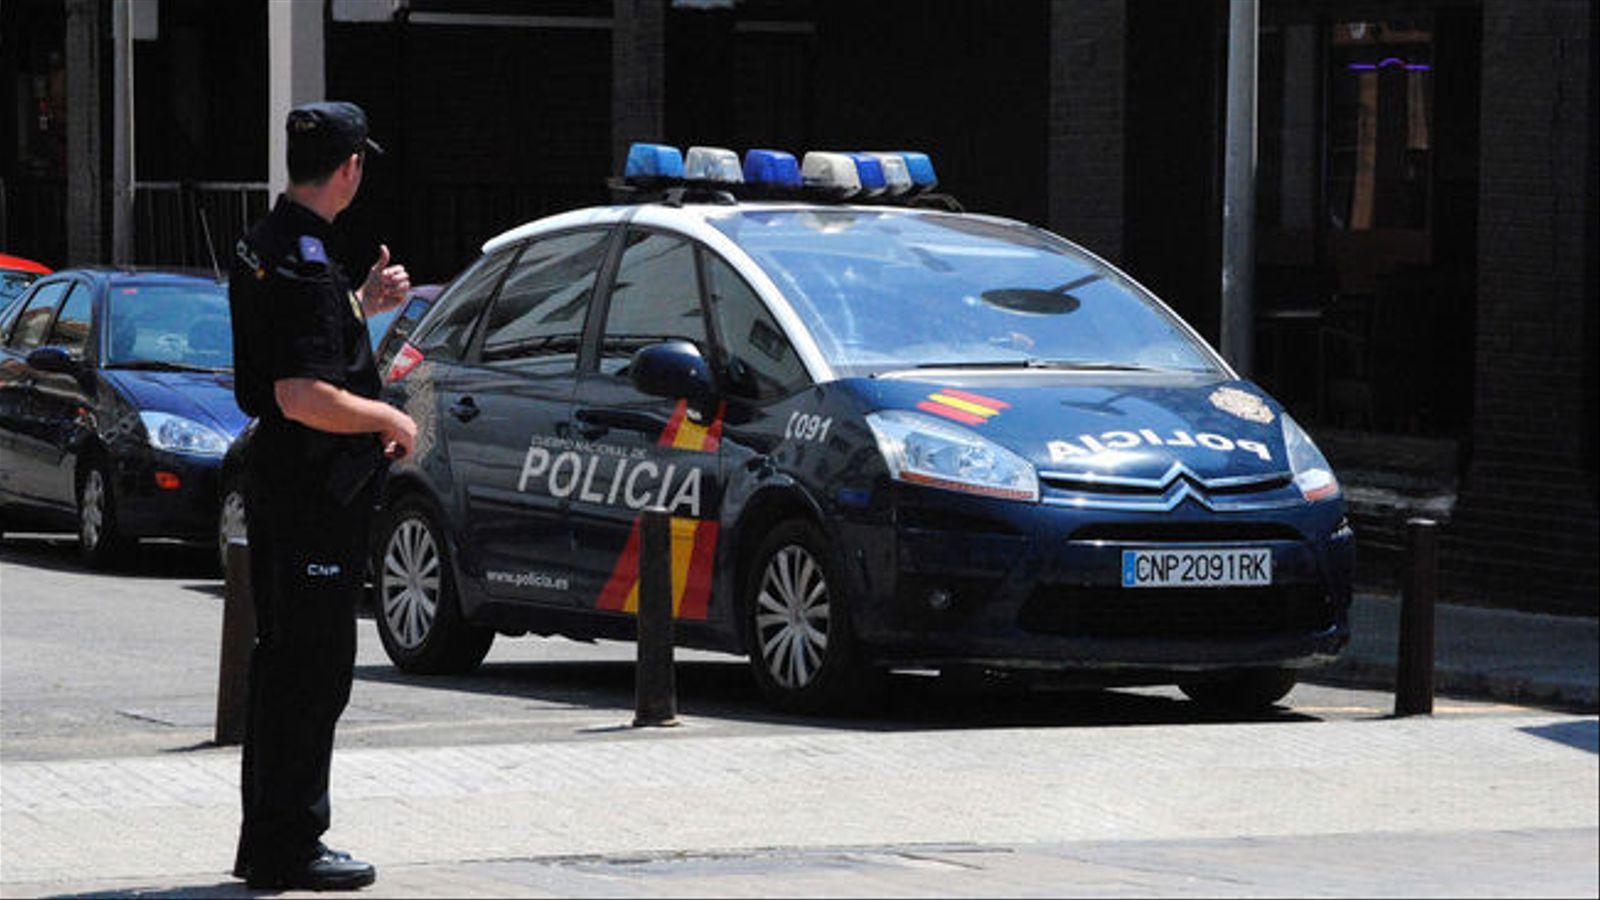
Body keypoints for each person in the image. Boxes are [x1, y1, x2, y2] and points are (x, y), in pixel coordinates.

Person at [227, 100, 416, 891]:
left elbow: (301, 343)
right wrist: (391, 418)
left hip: (283, 483)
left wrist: (364, 307)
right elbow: (304, 392)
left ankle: (269, 840)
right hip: (311, 494)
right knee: (312, 670)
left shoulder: (273, 244)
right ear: (350, 170)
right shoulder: (306, 260)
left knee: (284, 667)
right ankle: (290, 843)